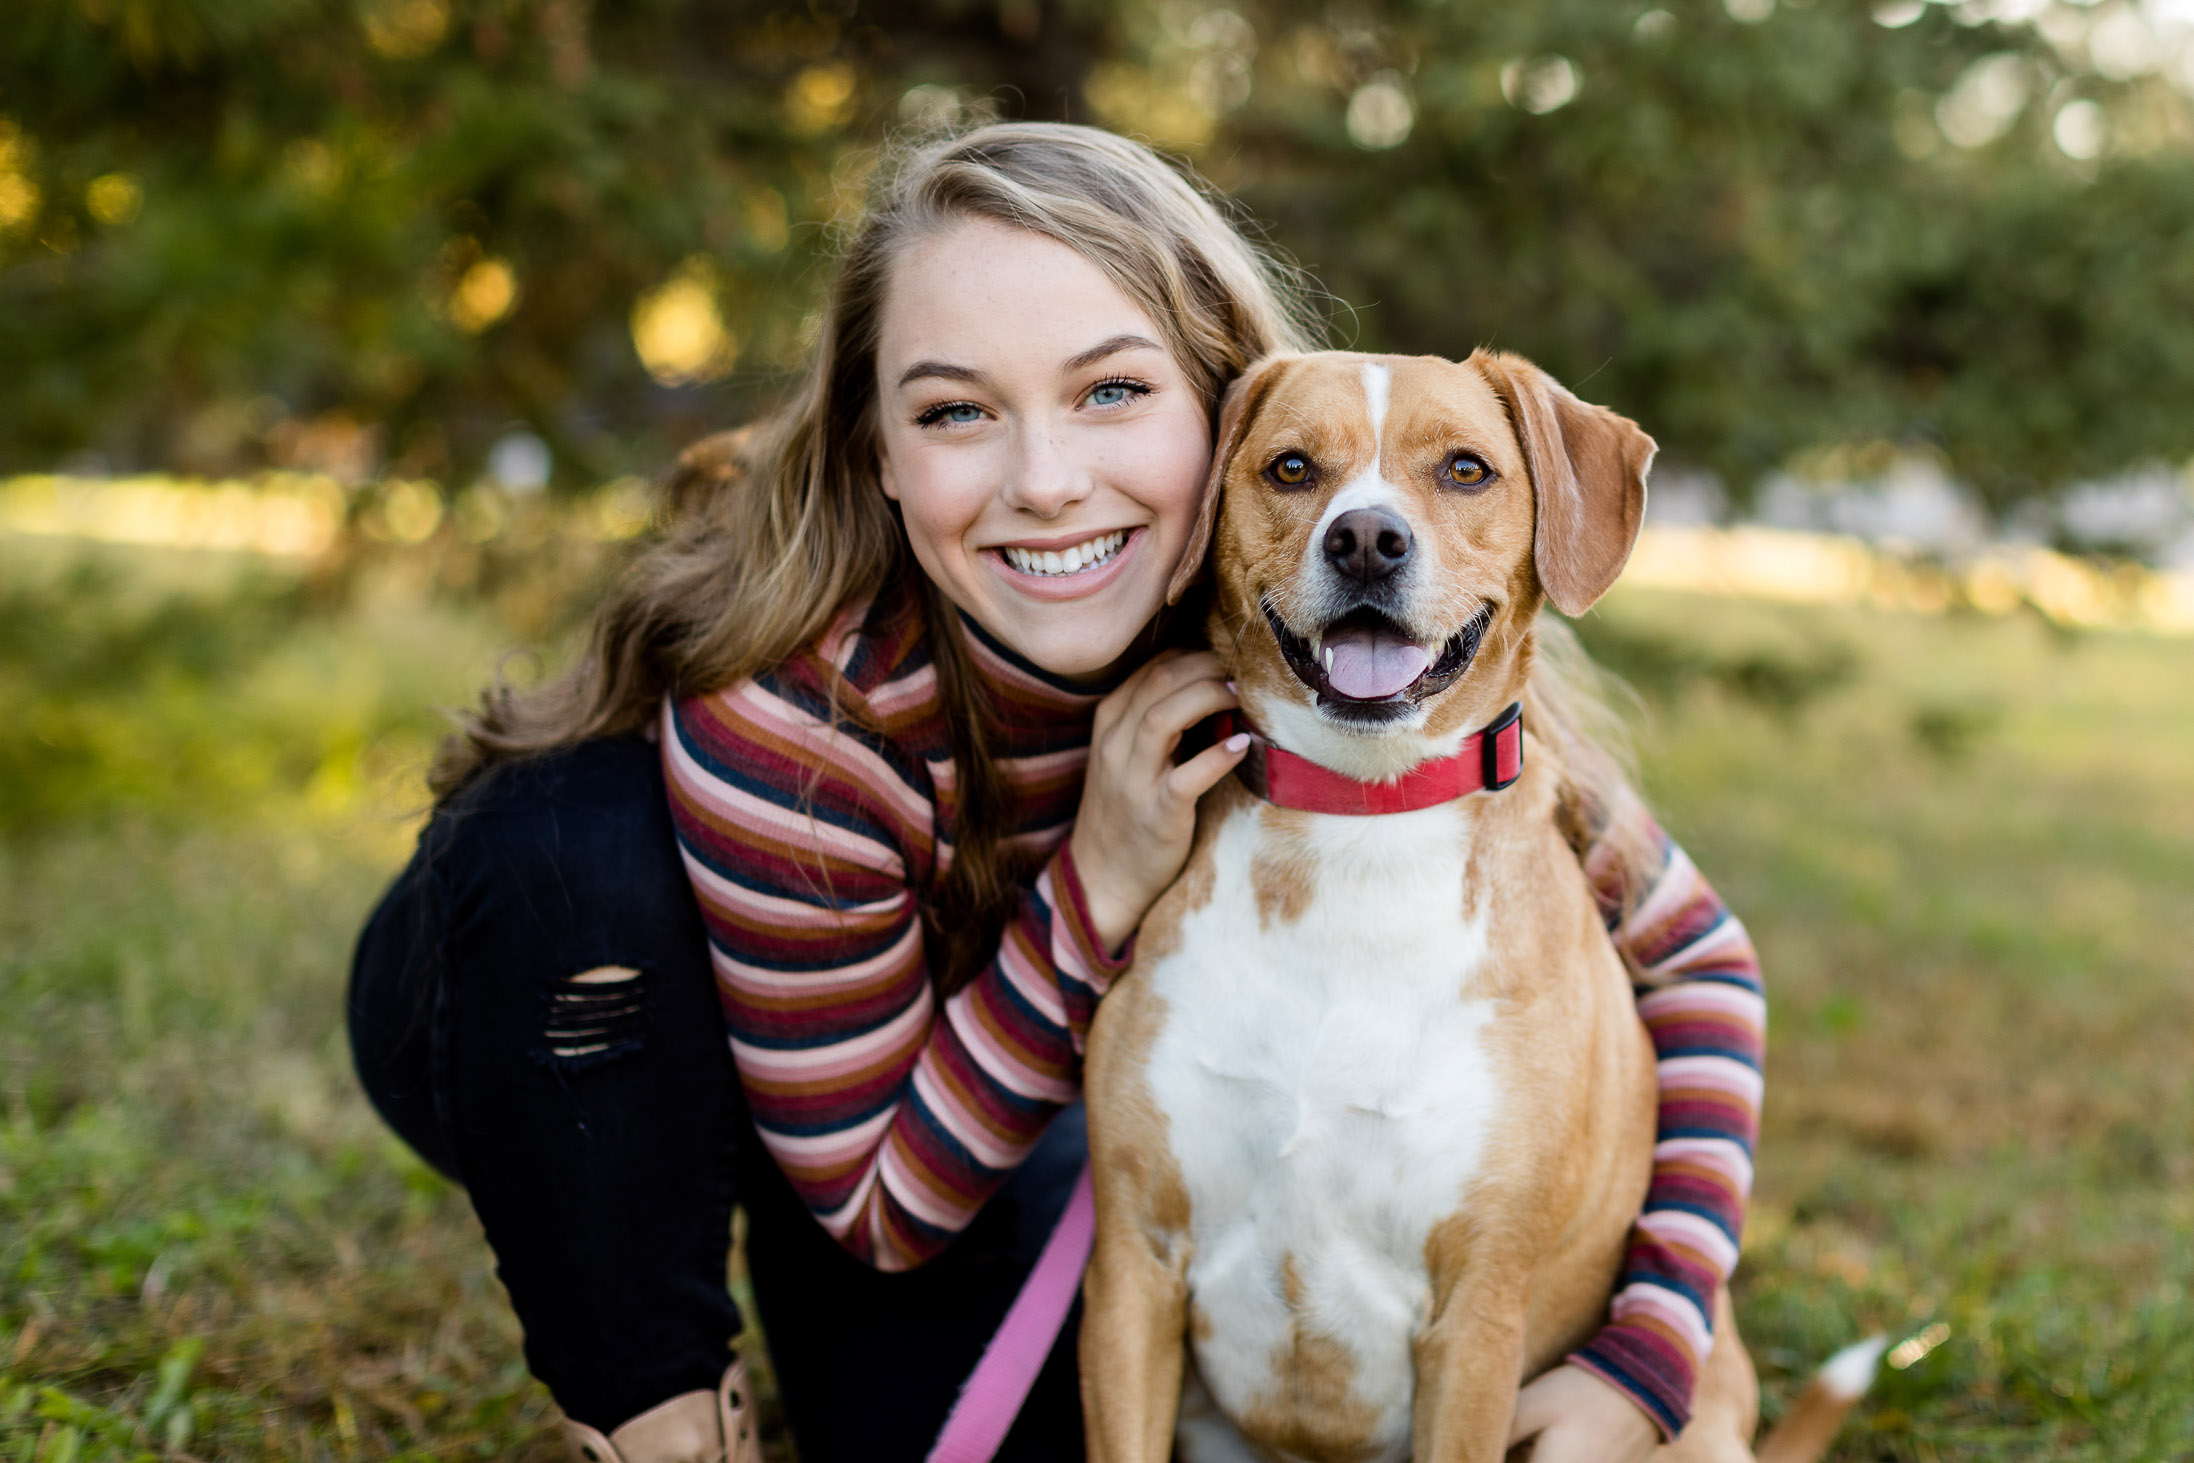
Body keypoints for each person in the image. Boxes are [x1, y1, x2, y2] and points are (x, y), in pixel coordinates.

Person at [348, 122, 1765, 1463]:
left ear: (1211, 417)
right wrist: (1096, 882)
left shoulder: (1352, 654)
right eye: (956, 410)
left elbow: (1696, 958)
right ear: (879, 455)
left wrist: (1650, 1351)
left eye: (1109, 392)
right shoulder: (801, 717)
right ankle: (654, 1408)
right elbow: (879, 1200)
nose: (1046, 481)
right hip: (581, 1027)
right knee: (570, 850)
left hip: (943, 1094)